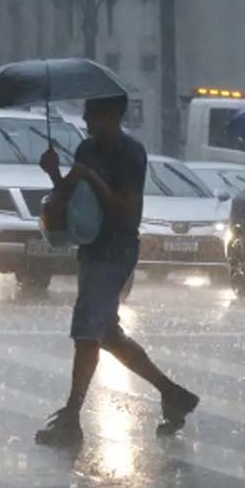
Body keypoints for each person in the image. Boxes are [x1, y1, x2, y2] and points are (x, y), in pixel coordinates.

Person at [36, 95, 199, 446]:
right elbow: (73, 197)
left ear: (111, 116)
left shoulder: (131, 154)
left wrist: (92, 178)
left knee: (86, 333)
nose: (86, 119)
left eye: (91, 114)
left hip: (116, 250)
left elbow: (127, 211)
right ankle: (173, 393)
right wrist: (55, 175)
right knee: (106, 333)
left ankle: (71, 417)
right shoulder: (86, 149)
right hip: (91, 248)